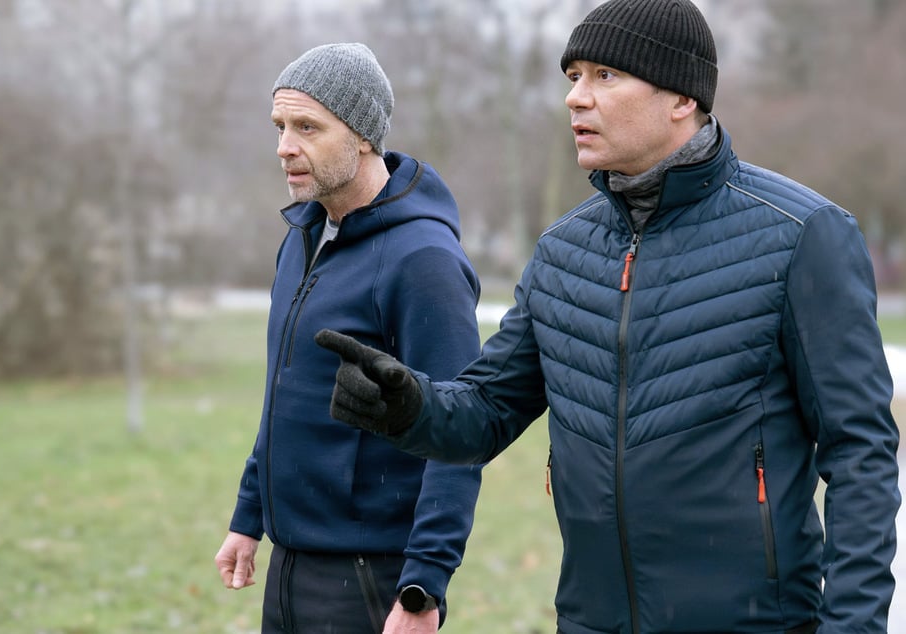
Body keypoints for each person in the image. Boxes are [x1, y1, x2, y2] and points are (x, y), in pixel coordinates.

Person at [315, 2, 901, 633]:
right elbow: (485, 414)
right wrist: (410, 407)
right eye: (572, 77)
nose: (576, 99)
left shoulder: (802, 235)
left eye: (604, 76)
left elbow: (861, 454)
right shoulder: (562, 251)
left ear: (681, 98)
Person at [214, 42, 483, 634]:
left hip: (370, 580)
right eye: (281, 126)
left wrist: (422, 588)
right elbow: (286, 393)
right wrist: (249, 515)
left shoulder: (424, 261)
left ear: (363, 135)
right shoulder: (303, 236)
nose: (285, 146)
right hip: (292, 566)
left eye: (308, 126)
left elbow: (460, 437)